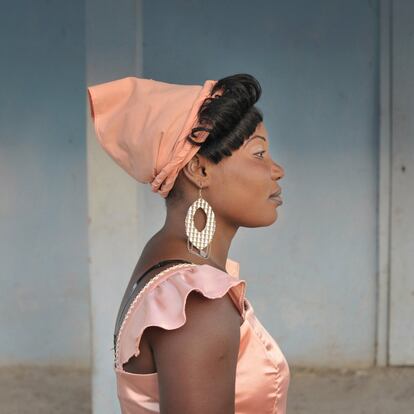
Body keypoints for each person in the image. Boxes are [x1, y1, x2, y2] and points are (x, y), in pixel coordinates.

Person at [87, 73, 290, 413]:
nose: (277, 170)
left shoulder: (163, 258)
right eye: (259, 154)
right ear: (199, 170)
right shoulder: (197, 305)